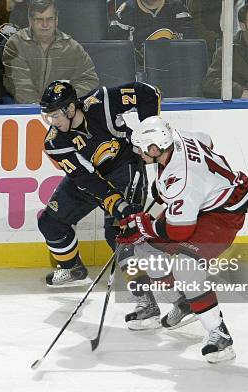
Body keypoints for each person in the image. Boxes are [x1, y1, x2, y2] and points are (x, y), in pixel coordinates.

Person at [116, 115, 248, 363]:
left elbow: (180, 231)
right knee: (145, 252)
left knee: (185, 266)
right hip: (203, 200)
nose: (138, 152)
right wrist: (145, 224)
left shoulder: (182, 179)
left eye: (141, 149)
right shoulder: (174, 138)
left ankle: (219, 335)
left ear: (155, 149)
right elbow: (206, 140)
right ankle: (186, 302)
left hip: (224, 212)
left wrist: (143, 225)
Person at [38, 80, 161, 287]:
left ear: (70, 108)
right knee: (50, 223)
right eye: (48, 116)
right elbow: (86, 179)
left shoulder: (101, 102)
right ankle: (72, 269)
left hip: (125, 167)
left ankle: (158, 280)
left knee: (117, 232)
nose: (52, 121)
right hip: (92, 176)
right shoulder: (54, 142)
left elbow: (147, 92)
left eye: (55, 115)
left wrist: (148, 133)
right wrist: (115, 203)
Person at [2, 0, 99, 104]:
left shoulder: (72, 47)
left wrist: (66, 98)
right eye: (39, 19)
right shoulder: (16, 44)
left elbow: (90, 80)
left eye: (49, 19)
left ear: (56, 20)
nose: (45, 24)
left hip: (62, 110)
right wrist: (42, 110)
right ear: (30, 21)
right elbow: (20, 86)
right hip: (27, 112)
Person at [108, 0, 195, 50]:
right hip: (140, 74)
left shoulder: (177, 8)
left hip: (175, 71)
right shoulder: (124, 13)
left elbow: (191, 48)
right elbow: (117, 54)